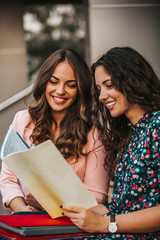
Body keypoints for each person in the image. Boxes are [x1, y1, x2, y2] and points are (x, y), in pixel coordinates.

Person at [61, 47, 160, 239]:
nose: (102, 96)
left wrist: (105, 223)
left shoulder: (156, 125)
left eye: (109, 85)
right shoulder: (130, 134)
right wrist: (80, 211)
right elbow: (123, 206)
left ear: (132, 80)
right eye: (99, 89)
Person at [0, 49, 109, 213]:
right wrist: (22, 211)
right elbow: (8, 178)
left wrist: (57, 213)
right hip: (27, 215)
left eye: (70, 85)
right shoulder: (22, 121)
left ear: (80, 89)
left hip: (72, 223)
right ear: (44, 82)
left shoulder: (94, 134)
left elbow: (95, 195)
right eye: (54, 81)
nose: (60, 90)